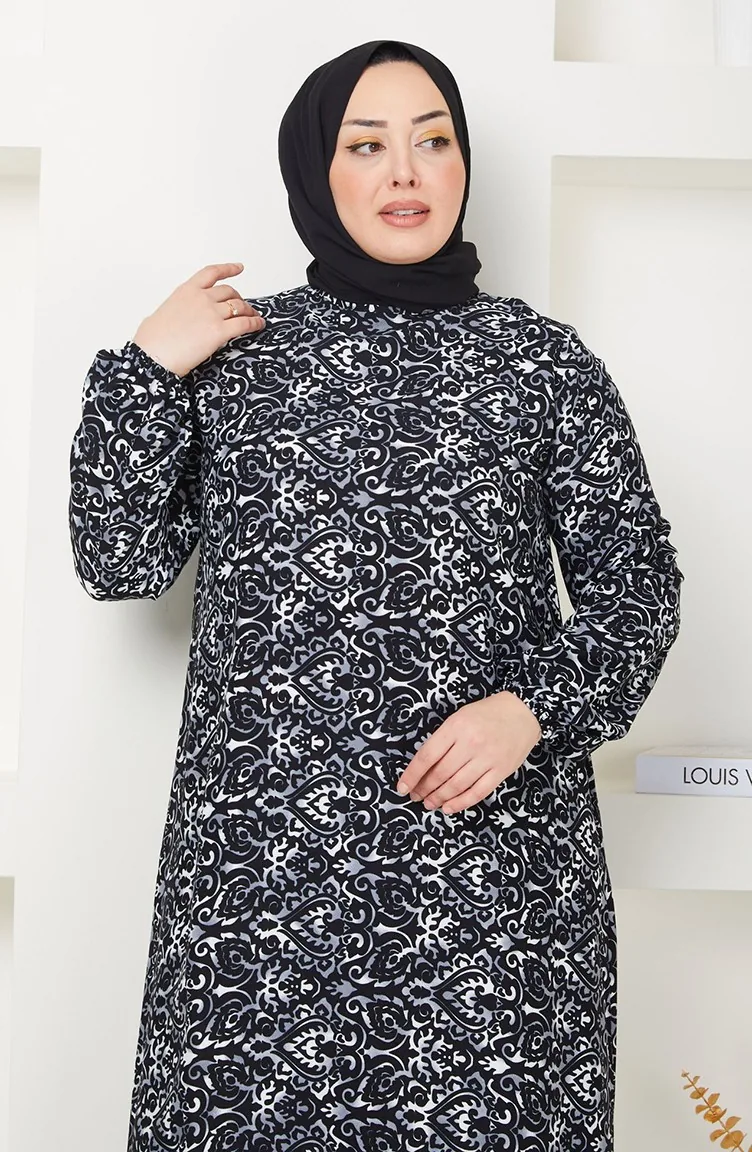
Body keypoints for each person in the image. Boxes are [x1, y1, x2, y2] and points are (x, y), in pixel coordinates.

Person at [68, 36, 684, 1152]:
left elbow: (636, 586)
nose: (405, 171)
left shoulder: (542, 364)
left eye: (431, 141)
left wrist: (531, 708)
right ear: (316, 168)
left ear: (461, 164)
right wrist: (146, 371)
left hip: (487, 880)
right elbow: (119, 561)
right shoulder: (236, 354)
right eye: (365, 145)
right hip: (265, 891)